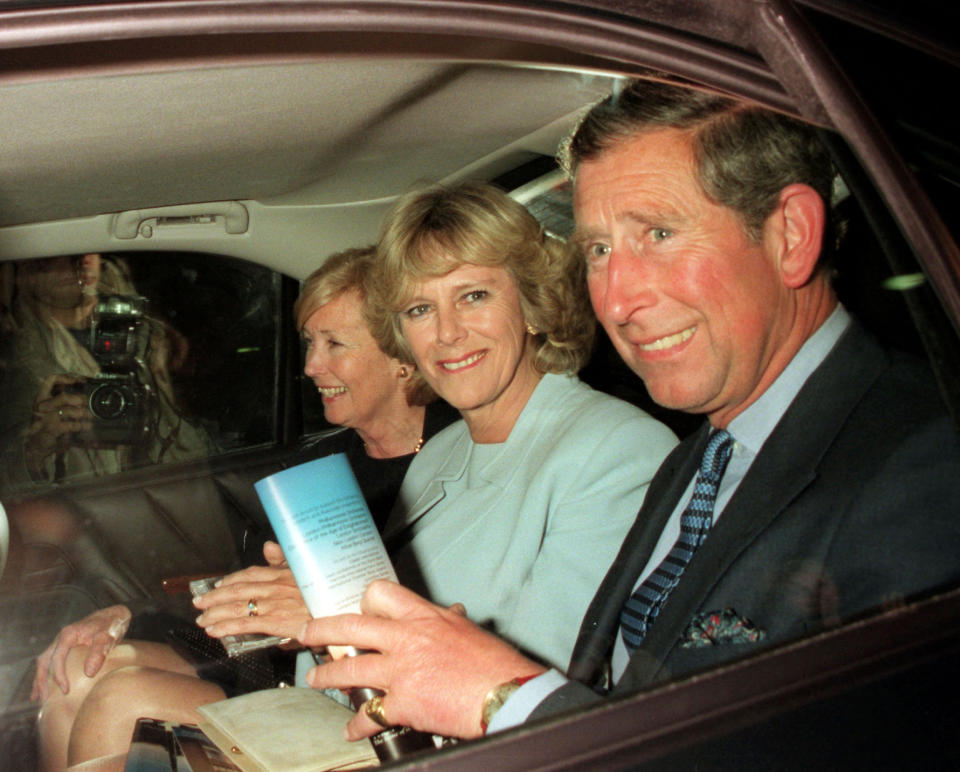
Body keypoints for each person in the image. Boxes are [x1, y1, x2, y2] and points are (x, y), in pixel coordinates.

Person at [298, 79, 960, 742]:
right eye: (599, 251)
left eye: (660, 233)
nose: (616, 299)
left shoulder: (925, 466)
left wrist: (506, 698)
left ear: (789, 235)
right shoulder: (702, 459)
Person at [30, 246, 459, 771]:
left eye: (334, 344)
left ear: (400, 357)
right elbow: (243, 585)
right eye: (308, 343)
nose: (309, 366)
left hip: (339, 689)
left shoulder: (453, 467)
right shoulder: (322, 461)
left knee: (123, 698)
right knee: (76, 669)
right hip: (251, 659)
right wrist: (129, 616)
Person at [359, 181, 677, 673]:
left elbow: (533, 691)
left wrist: (337, 613)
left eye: (474, 295)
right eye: (420, 309)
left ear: (532, 303)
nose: (446, 332)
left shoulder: (619, 450)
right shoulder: (439, 453)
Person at [0, 253, 209, 492]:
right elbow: (9, 475)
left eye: (75, 257)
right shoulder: (16, 365)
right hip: (84, 508)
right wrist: (35, 450)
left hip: (161, 492)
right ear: (21, 276)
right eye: (44, 260)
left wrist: (170, 387)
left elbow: (195, 447)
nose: (65, 266)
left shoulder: (140, 336)